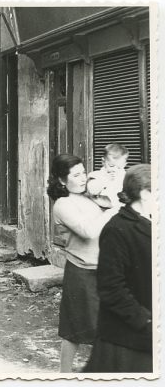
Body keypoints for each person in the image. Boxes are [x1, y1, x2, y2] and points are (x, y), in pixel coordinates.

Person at [47, 153, 120, 372]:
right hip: (81, 272)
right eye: (75, 175)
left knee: (108, 325)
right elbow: (88, 231)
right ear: (62, 180)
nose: (82, 178)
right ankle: (64, 375)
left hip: (104, 269)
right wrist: (111, 212)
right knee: (74, 329)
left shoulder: (89, 197)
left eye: (83, 173)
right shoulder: (62, 204)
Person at [85, 164, 153, 373]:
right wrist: (146, 321)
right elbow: (111, 287)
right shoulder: (117, 229)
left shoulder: (151, 222)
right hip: (126, 339)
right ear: (144, 193)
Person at [86, 143, 129, 209]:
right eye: (111, 166)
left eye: (119, 167)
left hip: (121, 208)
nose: (114, 170)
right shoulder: (96, 175)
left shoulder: (124, 176)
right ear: (103, 162)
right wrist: (104, 180)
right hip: (101, 208)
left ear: (124, 165)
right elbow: (92, 190)